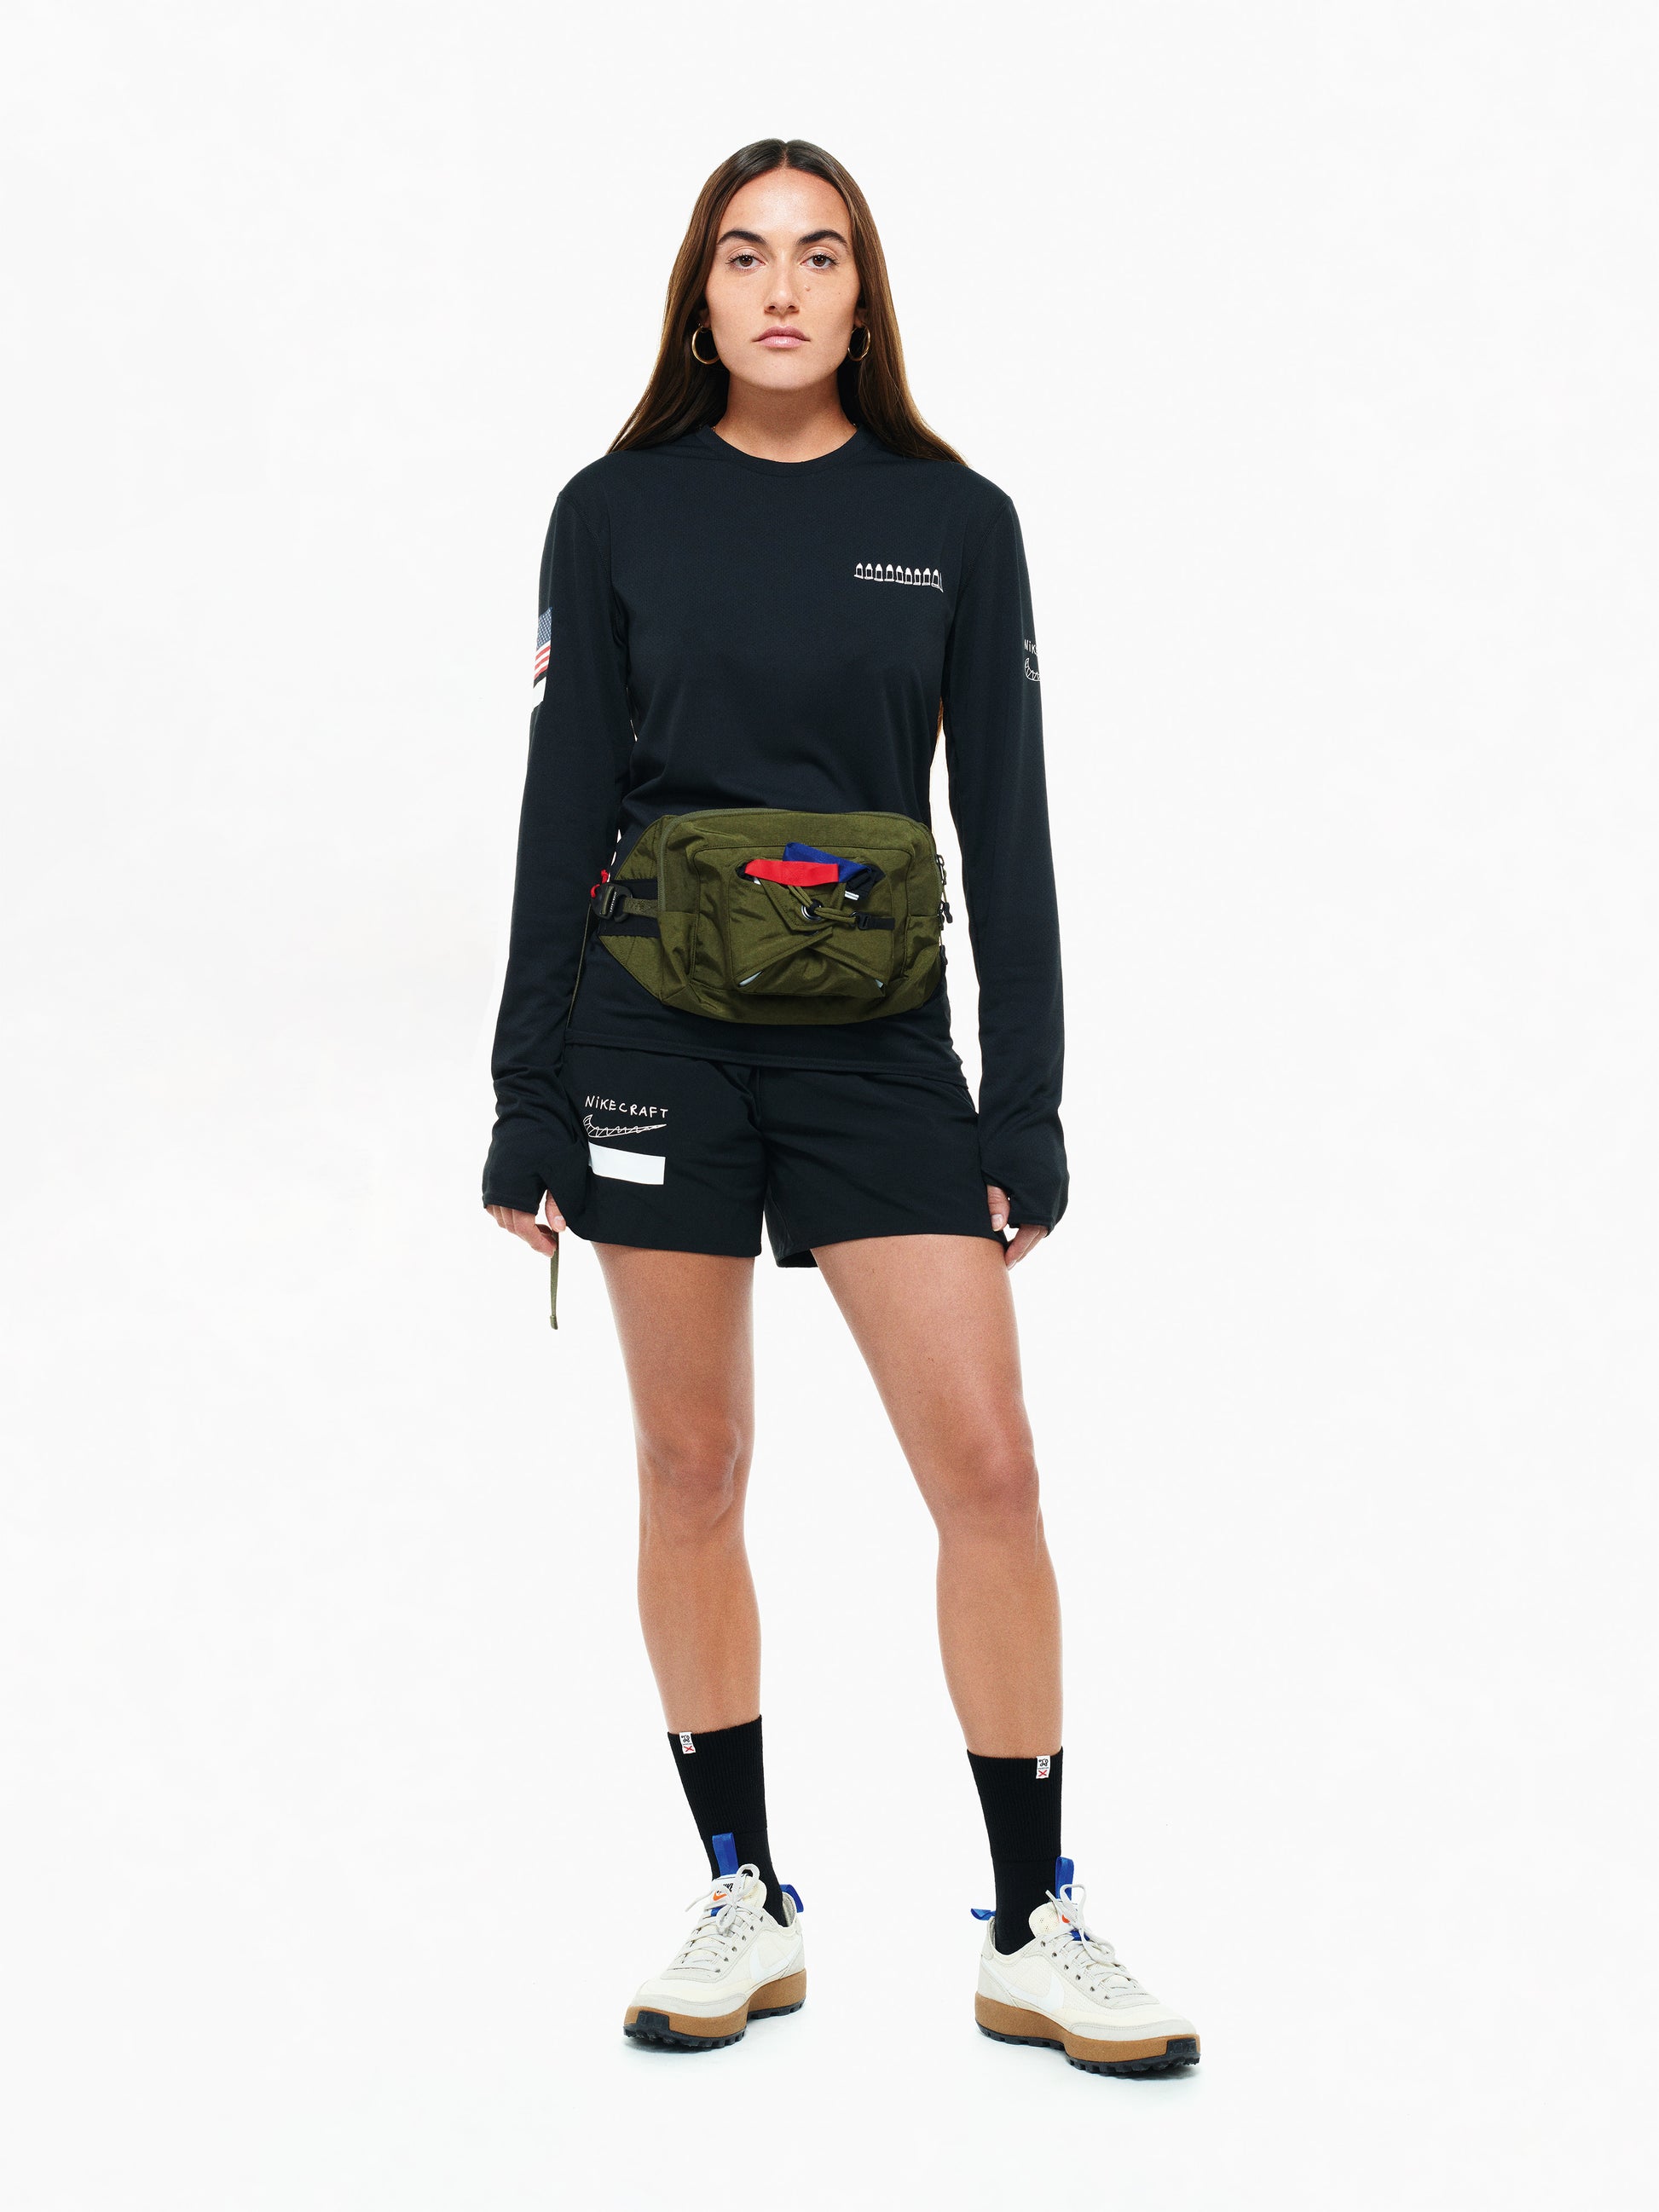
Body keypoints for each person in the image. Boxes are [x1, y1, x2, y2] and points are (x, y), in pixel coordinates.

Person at [483, 137, 1198, 2076]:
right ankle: (743, 1891)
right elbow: (563, 808)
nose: (780, 287)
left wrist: (1023, 1107)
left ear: (863, 296)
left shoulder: (953, 519)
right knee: (692, 1467)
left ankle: (1033, 1922)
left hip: (879, 1047)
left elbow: (1008, 824)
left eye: (817, 254)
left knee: (990, 1472)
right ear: (699, 296)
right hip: (650, 1040)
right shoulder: (611, 511)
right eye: (744, 255)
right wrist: (527, 1095)